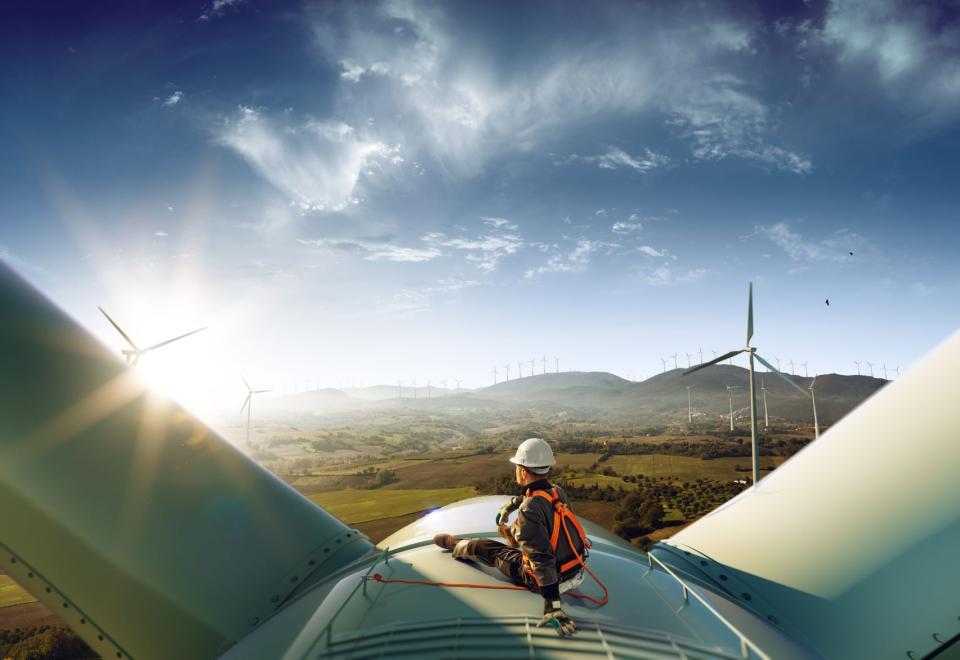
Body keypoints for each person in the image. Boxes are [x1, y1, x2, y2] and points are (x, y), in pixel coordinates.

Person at [433, 437, 587, 637]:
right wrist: (510, 506)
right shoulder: (557, 491)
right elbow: (534, 497)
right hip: (576, 570)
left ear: (523, 471)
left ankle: (455, 544)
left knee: (488, 548)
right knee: (521, 544)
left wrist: (553, 606)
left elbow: (542, 559)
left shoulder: (529, 509)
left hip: (551, 581)